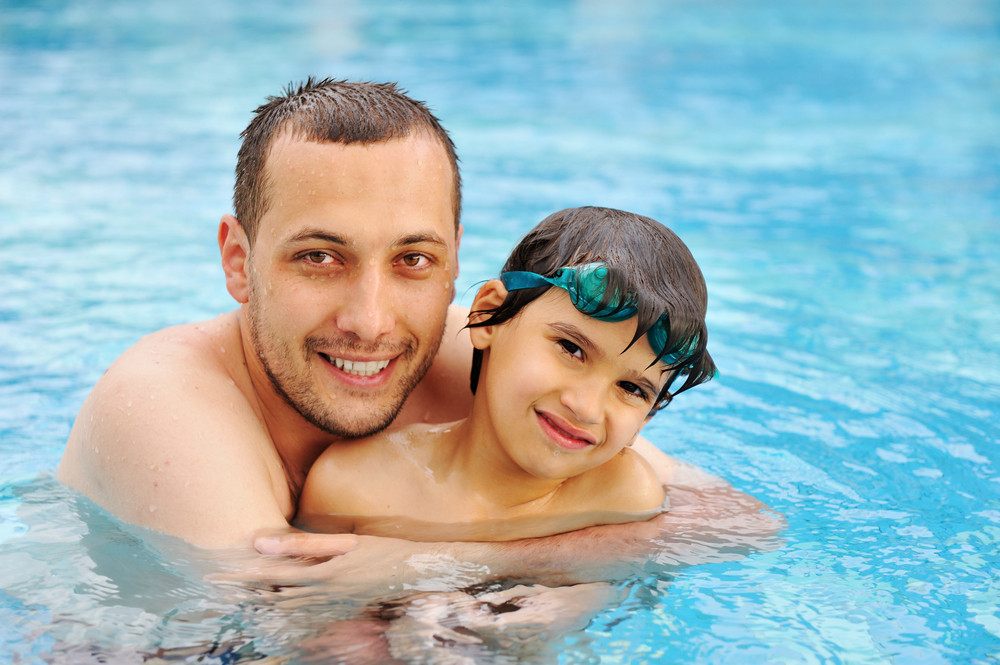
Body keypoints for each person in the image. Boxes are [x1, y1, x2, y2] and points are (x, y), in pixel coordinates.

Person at [58, 78, 778, 590]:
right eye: (320, 256)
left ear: (456, 269)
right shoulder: (164, 406)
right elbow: (281, 621)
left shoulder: (469, 355)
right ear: (239, 262)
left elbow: (729, 522)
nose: (371, 322)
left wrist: (410, 564)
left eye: (412, 260)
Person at [297, 207, 717, 542]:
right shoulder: (354, 486)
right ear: (487, 316)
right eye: (571, 348)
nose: (586, 407)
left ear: (648, 415)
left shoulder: (623, 497)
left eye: (631, 388)